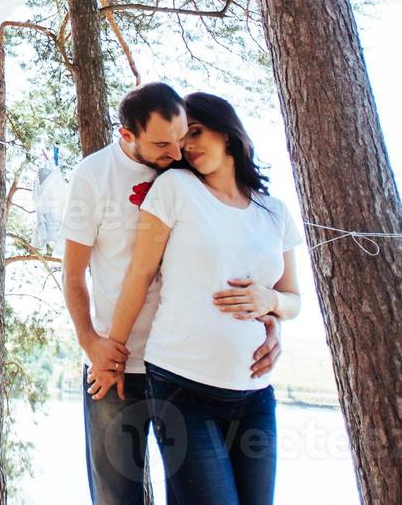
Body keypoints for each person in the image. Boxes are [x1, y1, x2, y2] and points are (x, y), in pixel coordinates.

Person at [61, 83, 282, 504]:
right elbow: (73, 275)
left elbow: (237, 260)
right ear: (128, 136)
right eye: (163, 144)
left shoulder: (185, 171)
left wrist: (270, 327)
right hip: (116, 363)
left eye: (182, 138)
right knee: (116, 495)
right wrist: (92, 343)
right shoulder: (94, 175)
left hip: (181, 367)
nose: (178, 151)